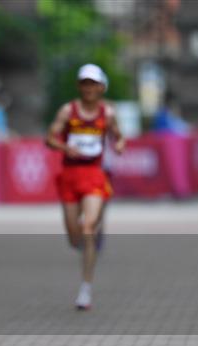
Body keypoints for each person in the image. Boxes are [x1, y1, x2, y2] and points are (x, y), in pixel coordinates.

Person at [46, 63, 125, 310]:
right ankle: (81, 239)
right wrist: (64, 147)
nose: (88, 88)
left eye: (93, 83)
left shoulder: (108, 113)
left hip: (94, 175)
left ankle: (86, 288)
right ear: (79, 86)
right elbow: (49, 138)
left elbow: (118, 135)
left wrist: (120, 144)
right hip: (70, 176)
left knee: (88, 226)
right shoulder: (68, 111)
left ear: (101, 87)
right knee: (74, 237)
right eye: (84, 83)